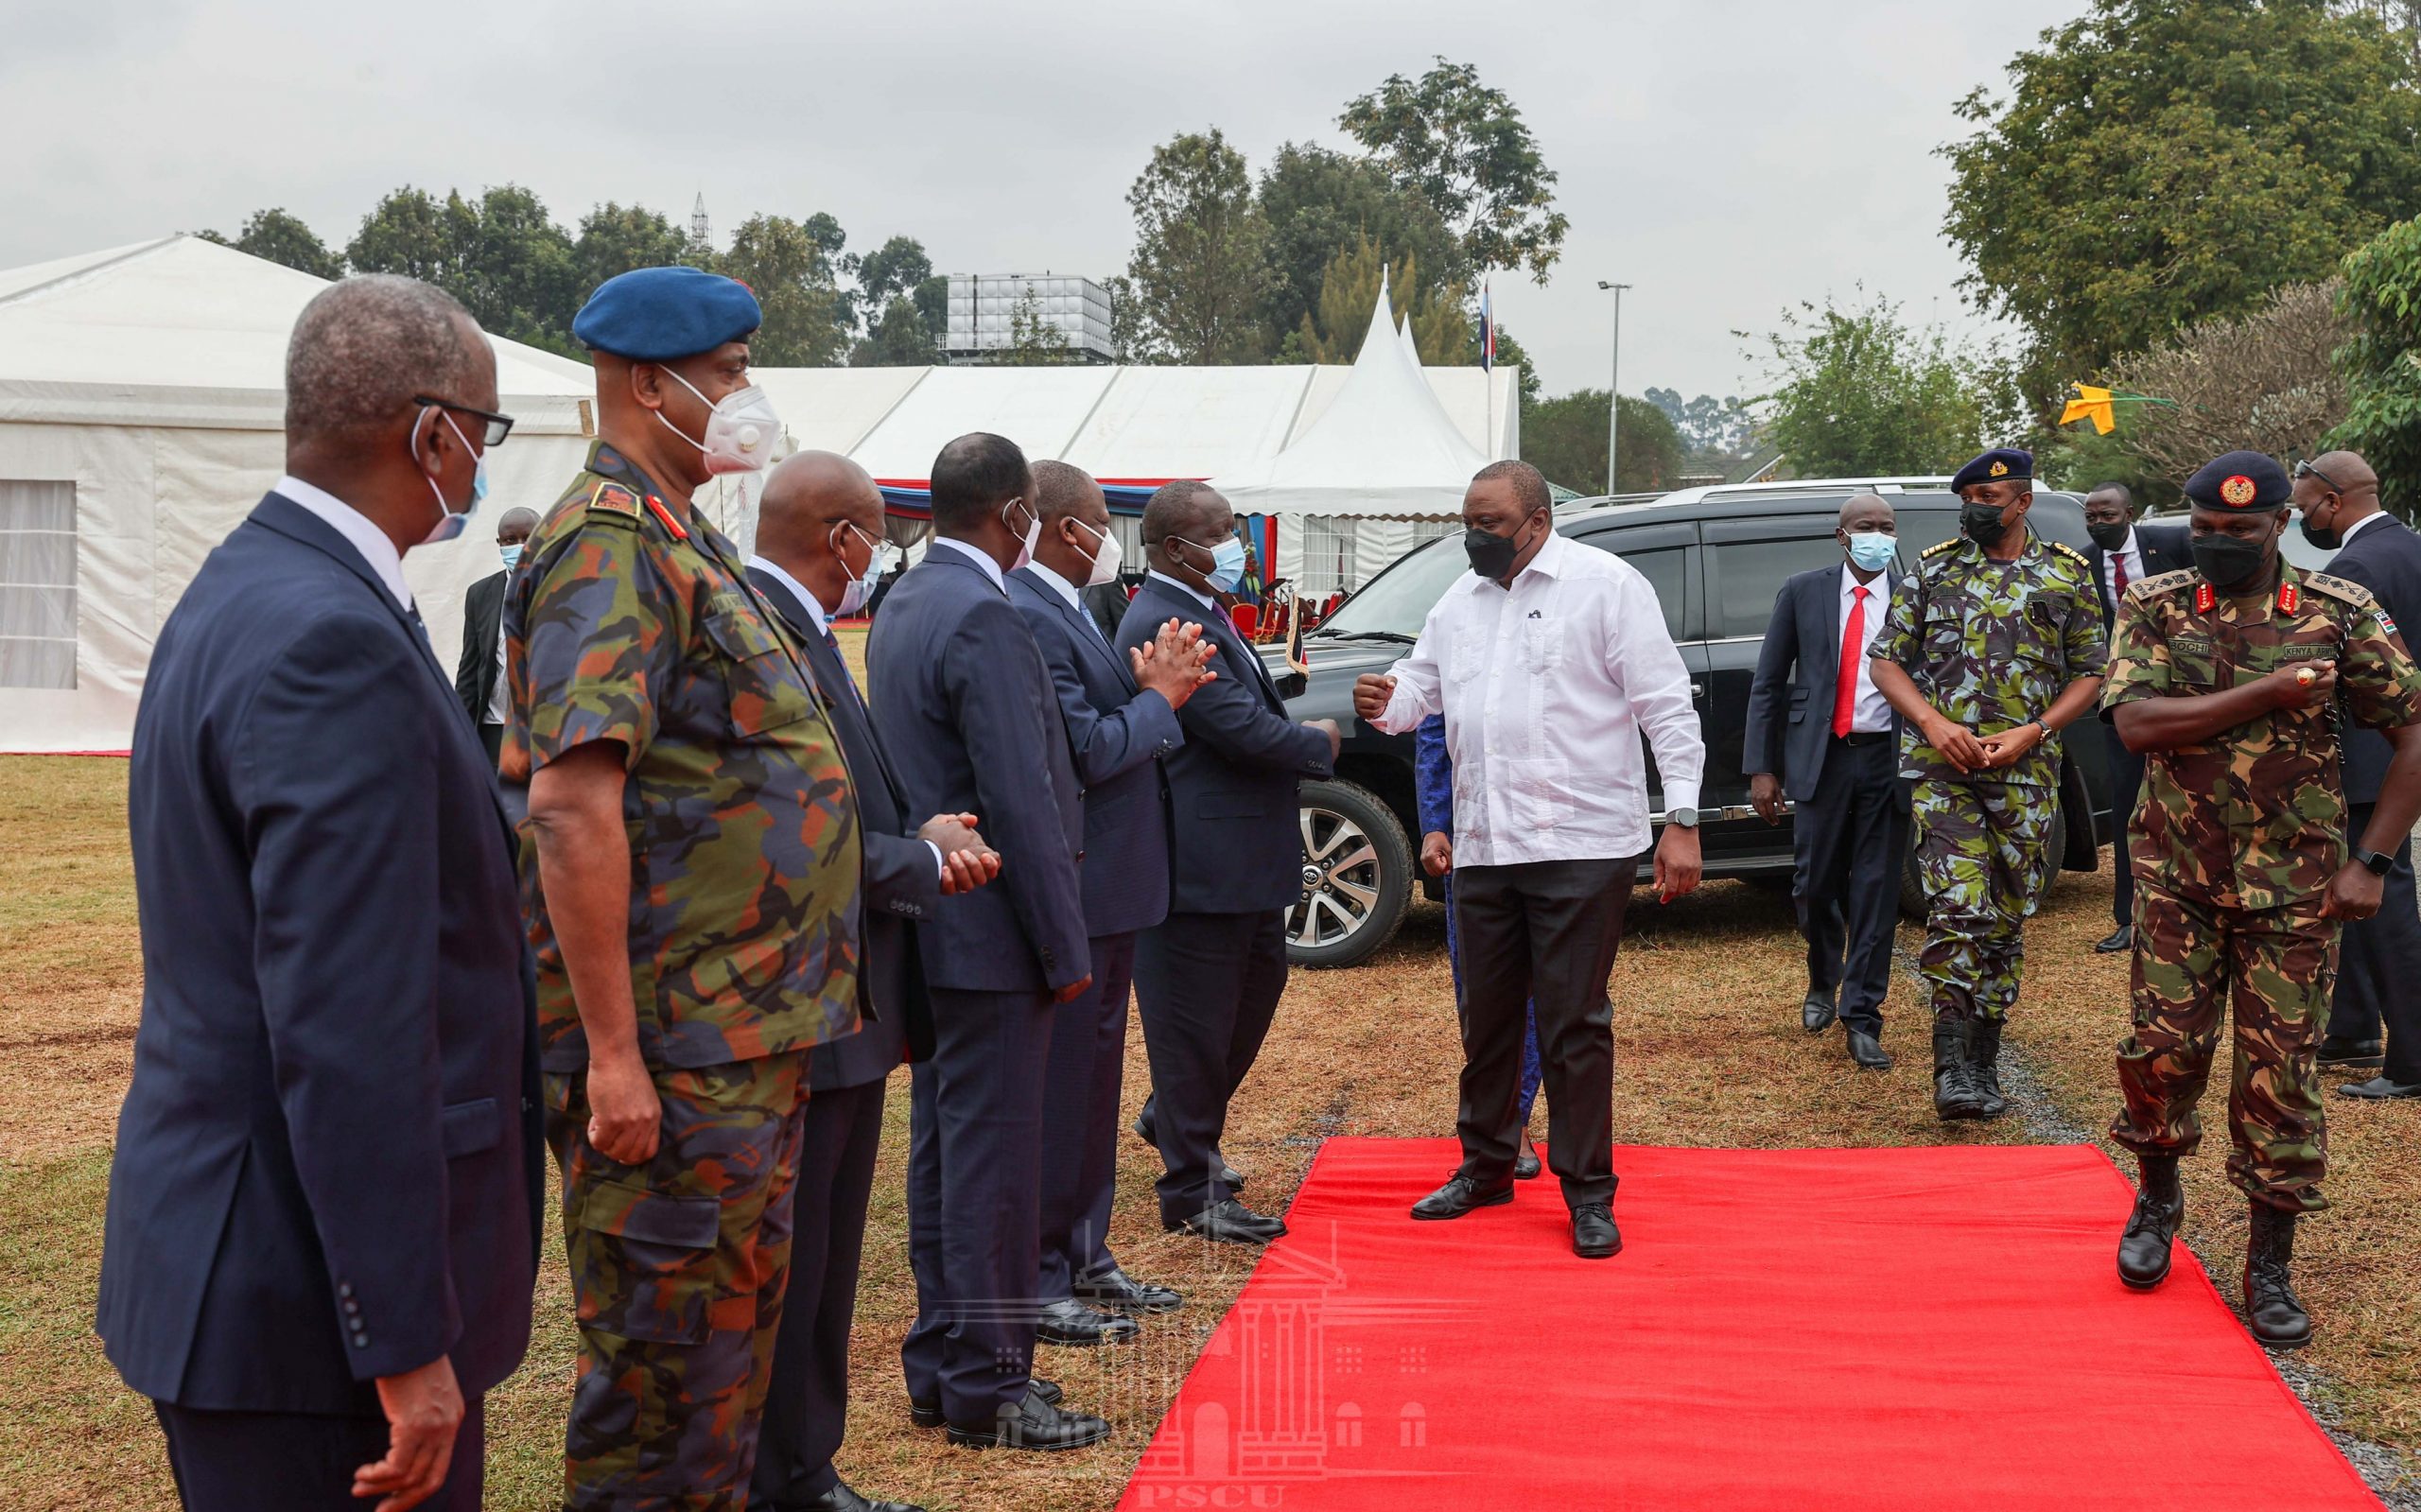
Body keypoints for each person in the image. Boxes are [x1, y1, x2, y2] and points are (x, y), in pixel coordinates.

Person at [97, 275, 540, 1512]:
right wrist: (403, 1341)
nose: (480, 467)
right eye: (485, 436)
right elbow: (349, 1027)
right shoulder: (326, 639)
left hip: (242, 1259)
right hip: (305, 1308)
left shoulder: (247, 584)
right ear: (433, 435)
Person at [504, 266, 862, 1507]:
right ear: (648, 384)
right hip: (672, 1049)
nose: (745, 393)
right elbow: (568, 800)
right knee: (661, 1398)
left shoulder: (677, 532)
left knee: (719, 1380)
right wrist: (612, 1053)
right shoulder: (608, 547)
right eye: (726, 371)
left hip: (739, 1039)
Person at [2103, 449, 2421, 1349]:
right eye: (2204, 529)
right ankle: (2157, 1198)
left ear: (2280, 522)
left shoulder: (2338, 612)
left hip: (2297, 890)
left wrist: (2373, 862)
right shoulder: (2156, 606)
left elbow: (2413, 735)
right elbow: (2136, 725)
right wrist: (2272, 692)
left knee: (2281, 1073)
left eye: (2238, 531)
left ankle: (2269, 1257)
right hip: (2177, 875)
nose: (2217, 544)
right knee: (2163, 1051)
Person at [1356, 460, 1706, 1260]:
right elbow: (1423, 687)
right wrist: (1389, 701)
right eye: (1468, 522)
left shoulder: (1607, 586)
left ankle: (1588, 1192)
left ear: (1538, 522)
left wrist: (1681, 819)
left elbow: (1665, 707)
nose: (1475, 537)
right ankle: (1484, 1166)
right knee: (1488, 1019)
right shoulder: (1461, 600)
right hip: (1485, 846)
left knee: (1574, 1022)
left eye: (1491, 524)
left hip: (1583, 845)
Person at [745, 450, 1002, 1512]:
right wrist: (918, 860)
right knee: (797, 1276)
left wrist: (914, 830)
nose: (878, 560)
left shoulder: (800, 625)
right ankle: (788, 1479)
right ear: (843, 538)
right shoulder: (761, 632)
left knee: (825, 1270)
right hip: (806, 996)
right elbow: (779, 827)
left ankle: (805, 1469)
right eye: (876, 538)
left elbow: (842, 793)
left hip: (845, 996)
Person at [868, 431, 1111, 1452]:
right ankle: (989, 1384)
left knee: (949, 1159)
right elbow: (1025, 800)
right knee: (995, 1173)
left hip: (935, 925)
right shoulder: (985, 613)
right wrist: (1066, 952)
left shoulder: (905, 602)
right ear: (1013, 514)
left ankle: (944, 1365)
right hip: (993, 932)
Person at [1009, 461, 1213, 1345]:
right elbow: (1085, 749)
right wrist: (1159, 699)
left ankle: (1087, 1254)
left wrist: (1146, 691)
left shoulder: (1073, 608)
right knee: (1065, 1093)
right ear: (1064, 529)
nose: (1111, 540)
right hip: (1083, 887)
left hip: (1117, 884)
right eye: (1102, 521)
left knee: (1096, 1085)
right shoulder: (1029, 610)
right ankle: (1050, 1268)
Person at [1119, 481, 1340, 1246]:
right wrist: (1318, 742)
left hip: (1240, 859)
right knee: (1195, 1025)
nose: (1237, 543)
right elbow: (1236, 727)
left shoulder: (1202, 606)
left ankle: (1174, 1119)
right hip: (1199, 866)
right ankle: (1192, 1188)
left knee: (1247, 1000)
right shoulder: (1168, 619)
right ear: (1179, 547)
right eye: (1222, 532)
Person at [1870, 447, 2105, 1122]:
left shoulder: (2064, 574)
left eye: (1989, 497)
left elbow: (2091, 671)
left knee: (2005, 917)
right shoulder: (1936, 568)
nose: (1974, 507)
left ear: (2022, 502)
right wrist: (1932, 722)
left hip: (2026, 773)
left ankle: (1983, 1059)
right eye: (1967, 496)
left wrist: (2036, 731)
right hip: (1946, 774)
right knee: (1960, 904)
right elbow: (1886, 662)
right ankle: (1949, 1068)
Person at [1743, 493, 1911, 1069]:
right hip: (1821, 756)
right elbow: (1768, 683)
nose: (1878, 535)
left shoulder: (1915, 593)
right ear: (1842, 535)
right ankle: (1823, 978)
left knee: (1875, 889)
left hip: (1888, 759)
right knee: (1814, 884)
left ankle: (1862, 1015)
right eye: (1866, 526)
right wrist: (1763, 768)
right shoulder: (1804, 590)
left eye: (1887, 527)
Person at [2294, 450, 2421, 1098]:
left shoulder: (2354, 567)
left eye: (2302, 506)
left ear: (2332, 500)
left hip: (2377, 750)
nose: (2300, 518)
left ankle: (2413, 1058)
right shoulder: (2412, 548)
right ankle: (2352, 1028)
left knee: (2382, 892)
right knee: (2352, 892)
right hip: (2400, 747)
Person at [1416, 712, 1545, 1177]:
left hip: (1557, 832)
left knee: (1557, 995)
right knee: (1485, 993)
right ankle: (1506, 1120)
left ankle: (1519, 1115)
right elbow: (1433, 728)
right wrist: (1436, 821)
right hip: (1476, 837)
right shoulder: (1451, 636)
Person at [2081, 482, 2193, 953]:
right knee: (2130, 805)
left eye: (2106, 516)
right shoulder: (2082, 561)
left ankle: (2191, 907)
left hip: (2185, 695)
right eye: (2091, 517)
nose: (2098, 524)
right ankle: (2128, 917)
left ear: (2128, 513)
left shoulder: (2172, 544)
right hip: (2122, 704)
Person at [452, 505, 538, 765]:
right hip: (494, 729)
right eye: (510, 540)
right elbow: (469, 669)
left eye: (528, 538)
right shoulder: (480, 594)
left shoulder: (563, 591)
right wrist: (458, 732)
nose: (519, 546)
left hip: (542, 729)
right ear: (499, 543)